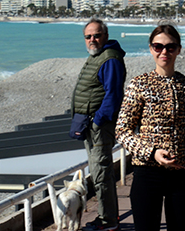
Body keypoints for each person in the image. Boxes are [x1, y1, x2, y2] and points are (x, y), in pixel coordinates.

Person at [116, 24, 185, 231]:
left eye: (170, 47)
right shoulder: (139, 85)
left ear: (178, 49)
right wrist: (152, 152)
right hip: (147, 174)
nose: (164, 52)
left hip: (182, 175)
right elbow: (122, 131)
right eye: (158, 47)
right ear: (151, 49)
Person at [71, 19, 126, 231]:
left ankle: (108, 221)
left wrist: (97, 120)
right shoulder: (98, 57)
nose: (92, 40)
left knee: (101, 173)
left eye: (96, 35)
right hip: (92, 126)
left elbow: (113, 95)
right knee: (99, 172)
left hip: (99, 127)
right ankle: (108, 218)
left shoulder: (109, 59)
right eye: (88, 36)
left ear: (105, 36)